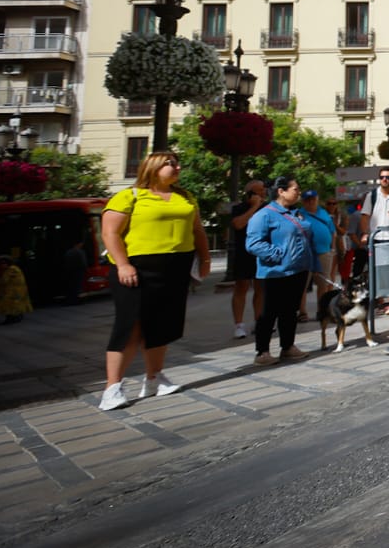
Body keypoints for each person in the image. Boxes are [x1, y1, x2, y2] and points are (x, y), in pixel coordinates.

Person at [98, 151, 212, 411]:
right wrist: (124, 264)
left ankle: (154, 379)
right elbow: (109, 232)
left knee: (162, 325)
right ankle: (112, 388)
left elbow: (198, 230)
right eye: (169, 164)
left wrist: (204, 260)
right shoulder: (129, 196)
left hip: (175, 267)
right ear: (152, 167)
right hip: (137, 269)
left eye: (177, 163)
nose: (177, 167)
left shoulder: (185, 197)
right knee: (130, 327)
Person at [245, 176, 315, 366]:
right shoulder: (264, 215)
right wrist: (278, 255)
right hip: (275, 272)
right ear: (281, 191)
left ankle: (288, 347)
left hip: (297, 270)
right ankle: (262, 351)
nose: (298, 192)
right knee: (269, 312)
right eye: (295, 189)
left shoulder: (296, 213)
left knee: (290, 311)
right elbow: (253, 244)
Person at [228, 180, 267, 339]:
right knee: (241, 287)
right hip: (243, 253)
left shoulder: (267, 208)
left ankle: (259, 321)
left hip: (261, 253)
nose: (263, 193)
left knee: (260, 288)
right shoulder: (239, 209)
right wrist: (254, 207)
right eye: (260, 191)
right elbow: (238, 224)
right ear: (250, 193)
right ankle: (239, 324)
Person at [297, 189, 338, 319]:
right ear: (303, 201)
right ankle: (302, 312)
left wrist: (332, 248)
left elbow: (332, 231)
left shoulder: (323, 212)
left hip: (324, 252)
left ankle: (322, 311)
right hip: (305, 254)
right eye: (307, 200)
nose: (310, 202)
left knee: (323, 284)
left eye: (313, 199)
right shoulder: (299, 214)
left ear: (317, 199)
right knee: (302, 285)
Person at [0, 254, 30, 324]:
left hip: (13, 291)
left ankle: (11, 319)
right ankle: (16, 318)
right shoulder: (14, 268)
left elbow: (4, 280)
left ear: (8, 263)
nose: (2, 265)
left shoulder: (11, 269)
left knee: (9, 304)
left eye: (3, 263)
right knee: (14, 305)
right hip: (16, 291)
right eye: (0, 263)